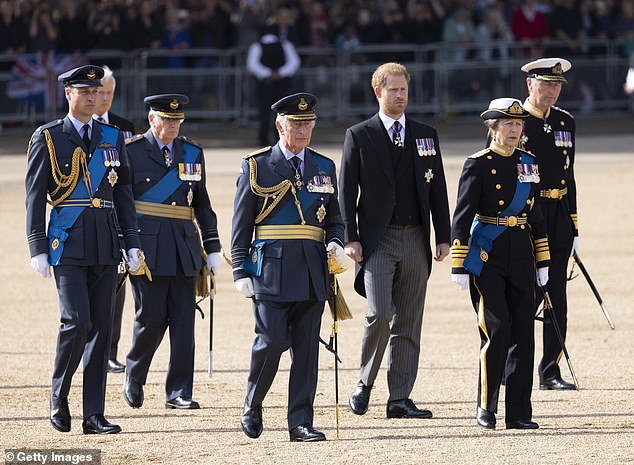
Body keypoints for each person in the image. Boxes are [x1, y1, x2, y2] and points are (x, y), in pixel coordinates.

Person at [25, 65, 144, 434]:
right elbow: (33, 197)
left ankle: (93, 413)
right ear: (68, 94)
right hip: (69, 241)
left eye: (97, 92)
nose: (93, 98)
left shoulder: (112, 136)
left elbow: (123, 194)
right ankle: (59, 396)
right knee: (76, 322)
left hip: (106, 242)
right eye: (85, 92)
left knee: (102, 328)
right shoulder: (48, 137)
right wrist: (37, 246)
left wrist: (133, 242)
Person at [338, 62, 451, 419]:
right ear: (378, 93)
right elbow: (345, 193)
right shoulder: (359, 135)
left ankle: (399, 398)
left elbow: (439, 188)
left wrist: (444, 235)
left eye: (404, 90)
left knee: (409, 320)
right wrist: (351, 239)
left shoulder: (425, 134)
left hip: (417, 238)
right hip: (378, 241)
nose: (400, 96)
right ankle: (364, 383)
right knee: (379, 313)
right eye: (393, 90)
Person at [231, 92, 345, 442]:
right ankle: (253, 404)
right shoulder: (257, 165)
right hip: (271, 269)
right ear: (279, 125)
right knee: (272, 340)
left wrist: (337, 241)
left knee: (307, 349)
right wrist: (239, 269)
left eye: (308, 123)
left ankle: (300, 421)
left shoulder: (324, 166)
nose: (303, 130)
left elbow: (335, 218)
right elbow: (242, 221)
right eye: (296, 124)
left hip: (312, 269)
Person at [450, 97, 551, 430]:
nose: (514, 130)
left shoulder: (528, 162)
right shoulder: (477, 163)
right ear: (493, 127)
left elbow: (535, 213)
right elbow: (462, 215)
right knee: (497, 330)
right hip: (486, 256)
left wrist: (542, 260)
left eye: (519, 124)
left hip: (521, 253)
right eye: (507, 124)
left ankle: (519, 413)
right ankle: (486, 406)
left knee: (524, 332)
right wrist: (459, 263)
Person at [122, 94, 222, 410]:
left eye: (177, 120)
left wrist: (213, 245)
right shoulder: (133, 152)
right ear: (152, 119)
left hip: (184, 248)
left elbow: (202, 203)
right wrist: (125, 245)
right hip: (147, 249)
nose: (172, 125)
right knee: (150, 318)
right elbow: (121, 203)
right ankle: (134, 375)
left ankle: (178, 390)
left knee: (183, 322)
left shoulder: (192, 152)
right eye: (166, 119)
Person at [521, 57, 578, 390]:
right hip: (528, 215)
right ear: (530, 84)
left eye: (556, 85)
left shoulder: (565, 122)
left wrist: (575, 226)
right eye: (546, 84)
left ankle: (550, 370)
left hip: (558, 214)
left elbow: (570, 177)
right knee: (524, 295)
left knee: (557, 295)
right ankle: (511, 367)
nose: (552, 91)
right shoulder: (514, 120)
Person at [93, 64, 137, 374]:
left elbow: (127, 178)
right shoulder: (76, 127)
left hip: (117, 219)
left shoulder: (124, 126)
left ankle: (110, 351)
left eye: (110, 93)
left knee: (117, 291)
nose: (105, 99)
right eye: (100, 93)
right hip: (88, 215)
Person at [246, 21, 300, 147]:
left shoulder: (257, 46)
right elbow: (294, 63)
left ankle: (263, 140)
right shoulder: (285, 45)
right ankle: (281, 139)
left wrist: (268, 73)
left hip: (265, 83)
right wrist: (279, 73)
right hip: (281, 83)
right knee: (282, 113)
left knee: (264, 112)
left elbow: (252, 65)